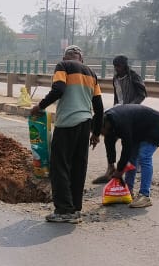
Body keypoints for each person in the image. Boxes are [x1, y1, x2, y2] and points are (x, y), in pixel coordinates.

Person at [29, 45, 105, 224]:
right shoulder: (91, 74)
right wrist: (96, 133)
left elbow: (58, 89)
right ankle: (75, 208)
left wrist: (39, 106)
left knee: (59, 166)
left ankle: (63, 210)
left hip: (67, 123)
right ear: (81, 59)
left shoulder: (63, 66)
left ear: (65, 57)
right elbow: (99, 107)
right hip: (85, 124)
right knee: (78, 167)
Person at [92, 54, 148, 184]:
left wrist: (130, 107)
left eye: (119, 66)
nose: (117, 69)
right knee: (109, 138)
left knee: (127, 141)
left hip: (131, 114)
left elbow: (142, 94)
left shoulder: (133, 76)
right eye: (115, 66)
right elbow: (116, 96)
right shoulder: (115, 78)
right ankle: (111, 167)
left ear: (124, 65)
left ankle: (128, 168)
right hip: (118, 113)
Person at [103, 104, 159, 209]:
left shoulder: (121, 121)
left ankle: (145, 196)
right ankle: (128, 190)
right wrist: (111, 164)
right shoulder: (108, 122)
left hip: (155, 125)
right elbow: (109, 143)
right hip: (139, 129)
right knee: (132, 158)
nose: (102, 134)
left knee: (144, 156)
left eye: (102, 131)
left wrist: (119, 170)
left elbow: (126, 148)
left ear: (106, 125)